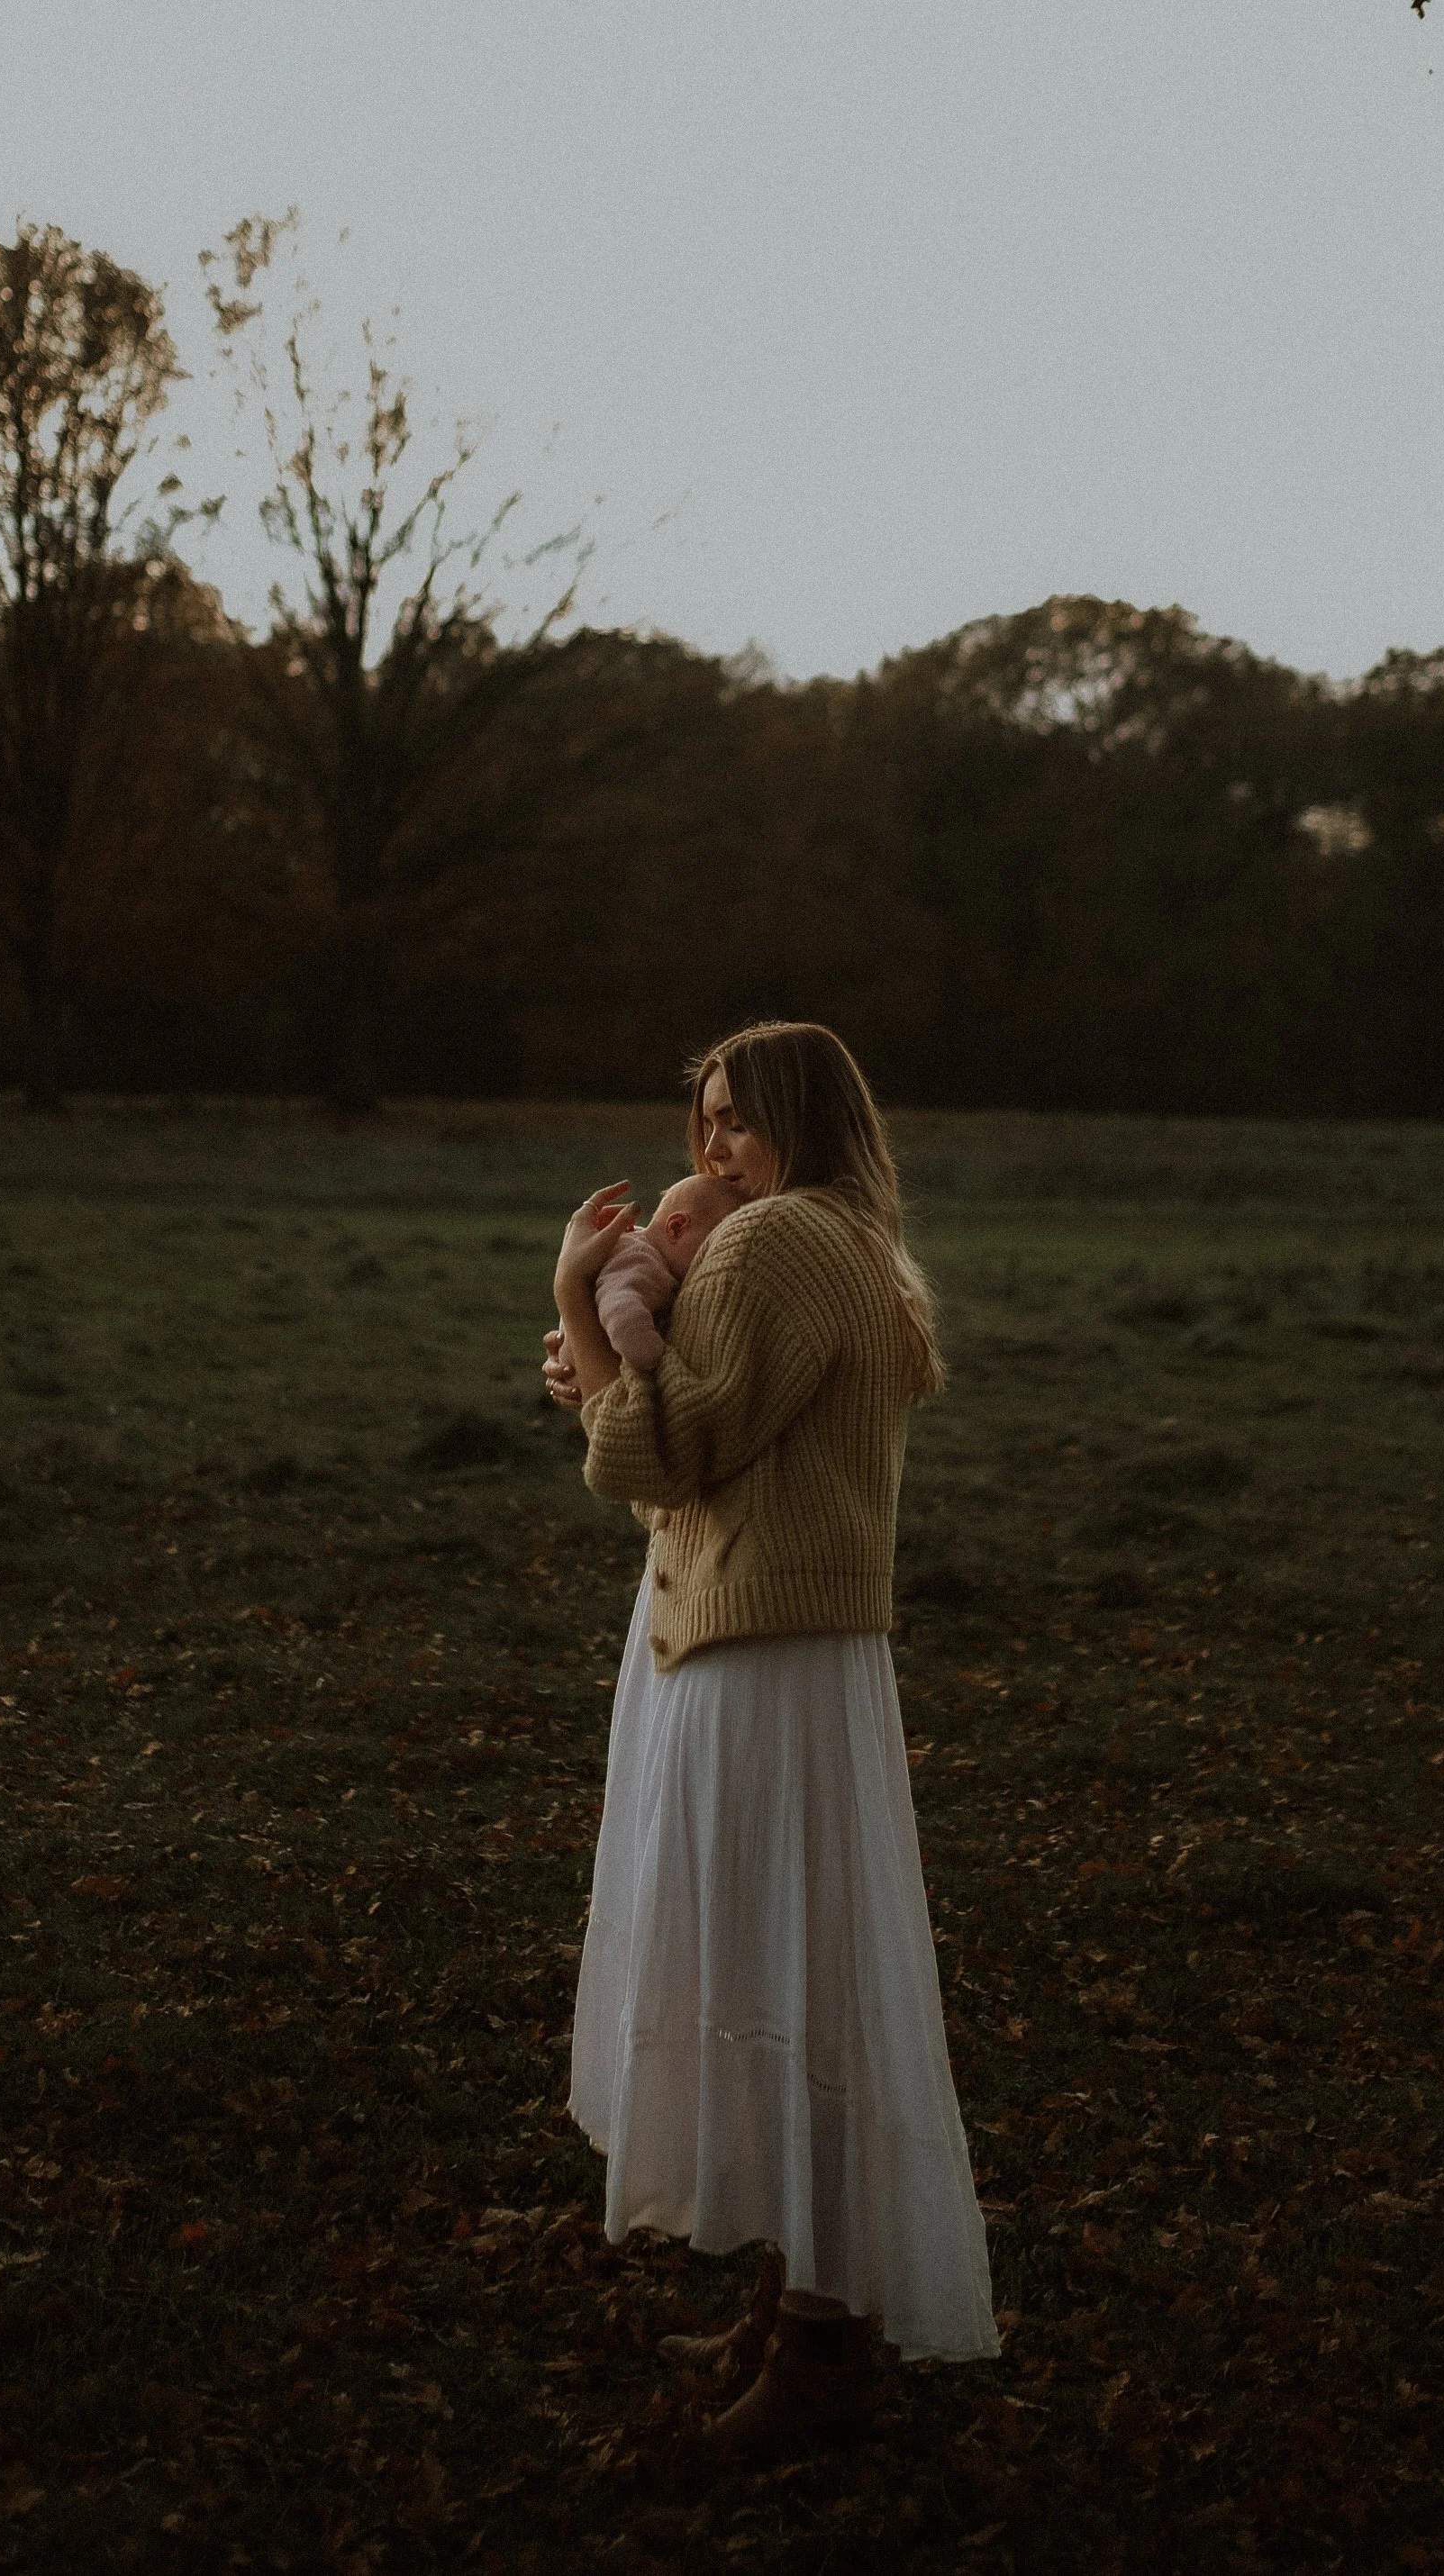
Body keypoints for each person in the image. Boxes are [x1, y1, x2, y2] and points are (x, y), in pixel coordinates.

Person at [544, 1020, 999, 2459]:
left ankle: (820, 2353)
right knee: (789, 1965)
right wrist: (610, 1370)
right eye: (705, 1124)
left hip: (755, 1652)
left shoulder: (773, 1242)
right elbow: (705, 1428)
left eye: (740, 1120)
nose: (713, 1152)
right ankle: (804, 2297)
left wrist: (575, 1298)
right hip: (771, 1636)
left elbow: (656, 1457)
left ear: (804, 1123)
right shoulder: (839, 1241)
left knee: (776, 1968)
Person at [588, 1170, 744, 1372]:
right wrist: (654, 1359)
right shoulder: (639, 1259)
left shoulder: (648, 1252)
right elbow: (619, 1307)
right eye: (714, 1245)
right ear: (677, 1228)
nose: (719, 1257)